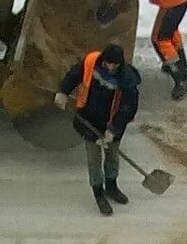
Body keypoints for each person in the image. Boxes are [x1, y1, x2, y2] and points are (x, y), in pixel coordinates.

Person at [54, 43, 141, 216]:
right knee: (94, 160)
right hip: (89, 120)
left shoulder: (127, 79)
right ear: (103, 60)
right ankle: (99, 193)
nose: (111, 67)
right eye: (109, 63)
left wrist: (113, 130)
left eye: (115, 64)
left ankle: (112, 187)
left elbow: (127, 108)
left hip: (112, 123)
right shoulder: (91, 61)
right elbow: (74, 74)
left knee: (112, 156)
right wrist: (63, 91)